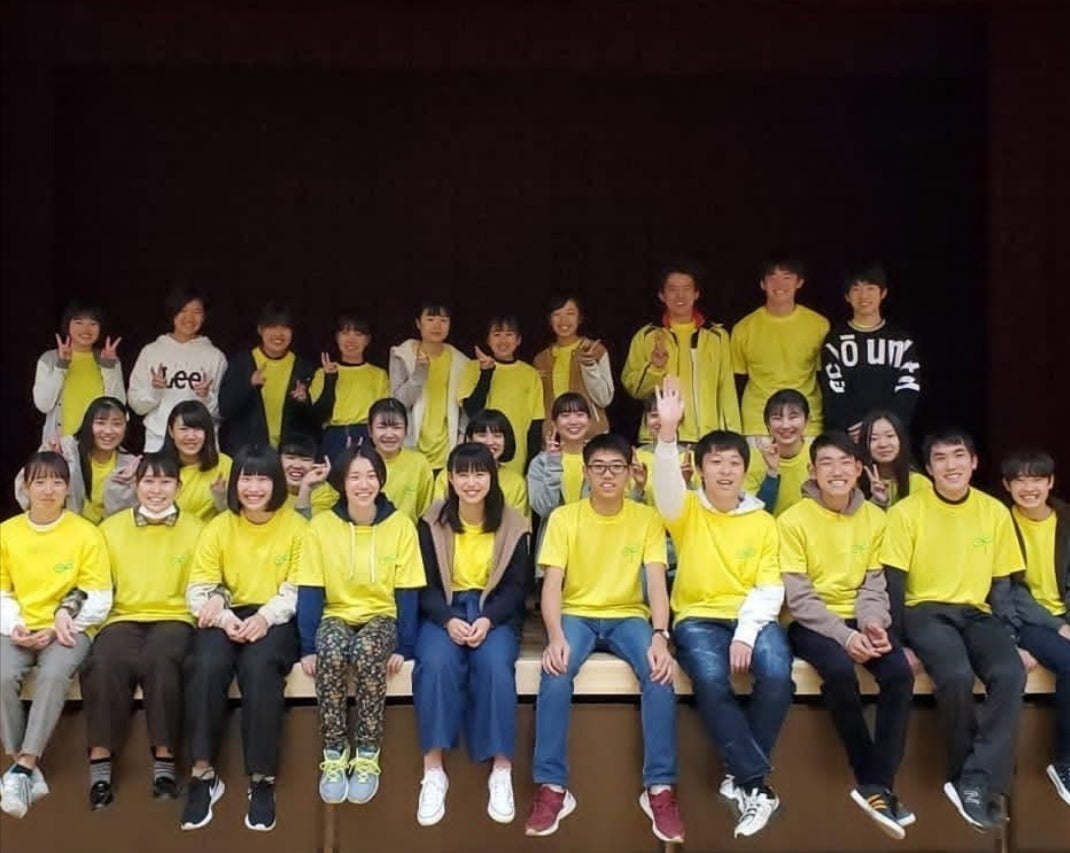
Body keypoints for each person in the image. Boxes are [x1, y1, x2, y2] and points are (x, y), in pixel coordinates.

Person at [525, 433, 683, 844]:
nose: (608, 475)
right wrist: (554, 635)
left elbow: (657, 583)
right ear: (586, 472)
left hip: (628, 616)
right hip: (576, 615)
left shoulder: (646, 518)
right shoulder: (565, 518)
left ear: (631, 472)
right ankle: (552, 787)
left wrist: (660, 635)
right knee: (555, 671)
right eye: (599, 467)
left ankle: (660, 789)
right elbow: (552, 585)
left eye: (616, 467)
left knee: (659, 673)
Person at [650, 377, 791, 839]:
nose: (725, 471)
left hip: (752, 616)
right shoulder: (686, 510)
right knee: (711, 679)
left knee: (778, 673)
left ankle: (741, 777)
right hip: (697, 617)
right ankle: (755, 782)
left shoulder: (763, 521)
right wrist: (667, 434)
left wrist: (746, 634)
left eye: (734, 462)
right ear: (700, 468)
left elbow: (770, 587)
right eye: (715, 462)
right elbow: (665, 487)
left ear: (746, 470)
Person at [880, 429, 1026, 831]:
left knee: (1010, 673)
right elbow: (893, 583)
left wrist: (1011, 637)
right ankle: (970, 780)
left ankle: (974, 780)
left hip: (976, 612)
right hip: (924, 610)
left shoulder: (994, 511)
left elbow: (1001, 584)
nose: (951, 465)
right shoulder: (906, 512)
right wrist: (897, 643)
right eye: (940, 458)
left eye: (959, 456)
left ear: (974, 462)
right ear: (928, 469)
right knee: (956, 674)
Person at [779, 432, 915, 838]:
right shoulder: (792, 521)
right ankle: (870, 777)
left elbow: (874, 586)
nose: (836, 471)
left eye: (845, 462)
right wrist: (845, 636)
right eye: (826, 462)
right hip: (811, 623)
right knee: (839, 670)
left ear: (858, 469)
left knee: (899, 673)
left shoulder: (876, 518)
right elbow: (799, 598)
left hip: (860, 618)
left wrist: (873, 625)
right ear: (812, 471)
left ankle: (879, 785)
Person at [181, 446, 305, 832]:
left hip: (276, 616)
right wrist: (224, 617)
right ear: (235, 484)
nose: (253, 487)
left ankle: (262, 780)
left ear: (277, 483)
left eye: (262, 478)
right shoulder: (219, 527)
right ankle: (203, 774)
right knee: (205, 664)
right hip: (227, 615)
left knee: (260, 667)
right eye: (246, 478)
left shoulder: (297, 527)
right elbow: (198, 588)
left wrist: (266, 617)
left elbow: (298, 588)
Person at [296, 445, 424, 806]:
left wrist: (405, 647)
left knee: (367, 650)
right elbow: (311, 589)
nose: (363, 484)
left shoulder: (401, 526)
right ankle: (334, 752)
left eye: (370, 476)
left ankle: (367, 752)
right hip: (336, 614)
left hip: (382, 616)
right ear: (341, 482)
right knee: (332, 649)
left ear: (381, 480)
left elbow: (407, 591)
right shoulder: (321, 526)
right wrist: (308, 646)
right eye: (354, 477)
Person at [413, 443, 530, 826]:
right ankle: (433, 771)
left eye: (479, 473)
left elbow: (517, 587)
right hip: (444, 610)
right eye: (462, 474)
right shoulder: (431, 522)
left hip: (492, 610)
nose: (471, 482)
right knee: (434, 664)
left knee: (496, 666)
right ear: (449, 478)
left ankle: (501, 770)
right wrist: (447, 619)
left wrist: (489, 619)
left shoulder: (514, 524)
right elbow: (422, 584)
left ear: (492, 477)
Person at [81, 452, 204, 809]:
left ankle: (164, 763)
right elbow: (90, 583)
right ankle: (100, 767)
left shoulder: (198, 529)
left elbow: (210, 581)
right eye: (149, 481)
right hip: (121, 616)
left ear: (179, 487)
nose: (156, 489)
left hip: (175, 616)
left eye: (166, 482)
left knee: (161, 661)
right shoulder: (109, 529)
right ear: (136, 485)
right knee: (103, 662)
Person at [0, 451, 112, 819]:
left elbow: (98, 595)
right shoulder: (7, 533)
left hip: (69, 627)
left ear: (68, 488)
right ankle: (22, 767)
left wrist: (55, 627)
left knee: (52, 675)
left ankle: (24, 765)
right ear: (25, 487)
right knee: (2, 674)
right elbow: (2, 591)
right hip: (18, 625)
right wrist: (14, 626)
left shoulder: (86, 533)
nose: (49, 490)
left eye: (57, 482)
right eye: (40, 482)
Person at [1000, 449, 1070, 807]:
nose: (1029, 488)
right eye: (1020, 480)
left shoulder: (1066, 520)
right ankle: (1066, 762)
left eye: (1037, 479)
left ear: (1051, 482)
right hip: (1026, 621)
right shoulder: (1000, 522)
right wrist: (1058, 626)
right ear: (1007, 485)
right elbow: (1010, 591)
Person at [622, 264, 740, 443]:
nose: (680, 296)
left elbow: (727, 389)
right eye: (673, 289)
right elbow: (634, 390)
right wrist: (655, 368)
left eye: (686, 289)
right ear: (662, 295)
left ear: (696, 293)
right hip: (659, 436)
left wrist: (733, 436)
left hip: (707, 439)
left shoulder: (717, 336)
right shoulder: (647, 336)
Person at [732, 255, 829, 436]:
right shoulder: (743, 328)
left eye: (787, 277)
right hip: (758, 424)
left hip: (807, 421)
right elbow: (737, 381)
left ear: (799, 282)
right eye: (772, 277)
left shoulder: (819, 325)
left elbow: (825, 376)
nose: (779, 284)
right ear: (762, 284)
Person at [820, 264, 921, 438]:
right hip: (849, 436)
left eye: (870, 288)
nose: (863, 295)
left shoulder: (901, 340)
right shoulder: (835, 340)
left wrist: (883, 426)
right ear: (847, 296)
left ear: (883, 293)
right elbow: (833, 390)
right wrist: (855, 426)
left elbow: (908, 386)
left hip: (891, 434)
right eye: (856, 289)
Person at [127, 287, 227, 452]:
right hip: (158, 441)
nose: (189, 318)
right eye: (183, 310)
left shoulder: (215, 356)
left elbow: (224, 410)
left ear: (204, 316)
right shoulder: (151, 352)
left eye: (197, 312)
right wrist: (154, 391)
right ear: (172, 313)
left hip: (201, 444)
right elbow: (136, 405)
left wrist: (205, 397)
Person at [15, 396, 138, 524]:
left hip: (108, 532)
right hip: (64, 528)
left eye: (117, 424)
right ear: (88, 424)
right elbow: (22, 489)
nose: (108, 431)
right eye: (100, 423)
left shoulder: (130, 465)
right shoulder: (63, 450)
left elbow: (133, 515)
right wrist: (54, 465)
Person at [218, 302, 319, 455]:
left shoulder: (303, 367)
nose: (278, 334)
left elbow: (314, 420)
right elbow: (225, 408)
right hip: (250, 455)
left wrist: (304, 401)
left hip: (290, 454)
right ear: (260, 330)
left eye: (285, 328)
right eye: (272, 327)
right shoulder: (242, 362)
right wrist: (249, 385)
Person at [389, 302, 471, 471]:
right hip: (411, 446)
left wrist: (462, 438)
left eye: (443, 320)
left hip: (448, 449)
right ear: (418, 323)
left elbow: (464, 407)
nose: (437, 325)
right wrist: (419, 374)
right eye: (430, 319)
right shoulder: (402, 354)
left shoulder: (461, 361)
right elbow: (398, 403)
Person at [459, 315, 545, 474]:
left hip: (517, 458)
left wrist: (531, 466)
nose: (503, 340)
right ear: (488, 340)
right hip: (480, 455)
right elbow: (472, 410)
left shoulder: (530, 374)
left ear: (518, 340)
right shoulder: (472, 368)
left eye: (509, 334)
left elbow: (536, 424)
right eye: (497, 335)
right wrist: (486, 373)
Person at [32, 299, 125, 442]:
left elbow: (118, 406)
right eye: (79, 322)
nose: (86, 330)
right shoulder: (49, 359)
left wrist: (108, 367)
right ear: (67, 325)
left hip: (99, 445)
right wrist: (61, 365)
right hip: (60, 445)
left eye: (93, 324)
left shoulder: (109, 359)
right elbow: (43, 405)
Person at [310, 313, 390, 464]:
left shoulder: (379, 375)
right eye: (345, 333)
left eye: (358, 334)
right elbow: (318, 416)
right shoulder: (322, 373)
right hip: (333, 437)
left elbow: (383, 415)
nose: (351, 339)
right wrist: (330, 379)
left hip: (366, 436)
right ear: (337, 337)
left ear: (367, 340)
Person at [532, 294, 613, 440]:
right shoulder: (541, 359)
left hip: (591, 438)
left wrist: (589, 365)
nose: (563, 320)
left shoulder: (596, 350)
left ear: (580, 318)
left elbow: (604, 398)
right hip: (554, 440)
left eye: (570, 313)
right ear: (549, 319)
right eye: (557, 314)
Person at [432, 410, 530, 518]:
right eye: (482, 435)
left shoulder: (516, 483)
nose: (490, 442)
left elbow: (519, 525)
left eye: (497, 435)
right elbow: (437, 517)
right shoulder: (448, 475)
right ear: (469, 439)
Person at [744, 389, 813, 517]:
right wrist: (772, 472)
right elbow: (757, 513)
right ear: (767, 424)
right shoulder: (751, 460)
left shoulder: (817, 457)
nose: (785, 425)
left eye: (793, 417)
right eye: (777, 418)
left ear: (807, 420)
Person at [161, 400, 232, 522]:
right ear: (171, 431)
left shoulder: (224, 463)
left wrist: (220, 498)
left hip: (211, 532)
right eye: (183, 429)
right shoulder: (157, 467)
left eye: (198, 429)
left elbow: (234, 517)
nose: (191, 436)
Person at [526, 393, 593, 519]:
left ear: (589, 421)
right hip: (556, 530)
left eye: (580, 415)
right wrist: (553, 464)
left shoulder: (600, 459)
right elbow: (543, 510)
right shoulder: (540, 462)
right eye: (565, 415)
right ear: (554, 423)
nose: (573, 421)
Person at [368, 397, 434, 522]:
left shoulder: (419, 464)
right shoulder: (360, 463)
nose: (389, 434)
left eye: (396, 427)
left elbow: (424, 510)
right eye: (382, 427)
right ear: (370, 430)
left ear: (406, 430)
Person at [858, 410, 930, 509]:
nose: (883, 444)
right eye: (874, 438)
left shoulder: (919, 483)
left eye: (890, 436)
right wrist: (877, 501)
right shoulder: (854, 484)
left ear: (901, 439)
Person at [279, 434, 338, 517]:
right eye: (290, 458)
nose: (297, 465)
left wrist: (305, 488)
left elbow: (303, 523)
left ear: (317, 464)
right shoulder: (269, 487)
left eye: (305, 460)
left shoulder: (325, 494)